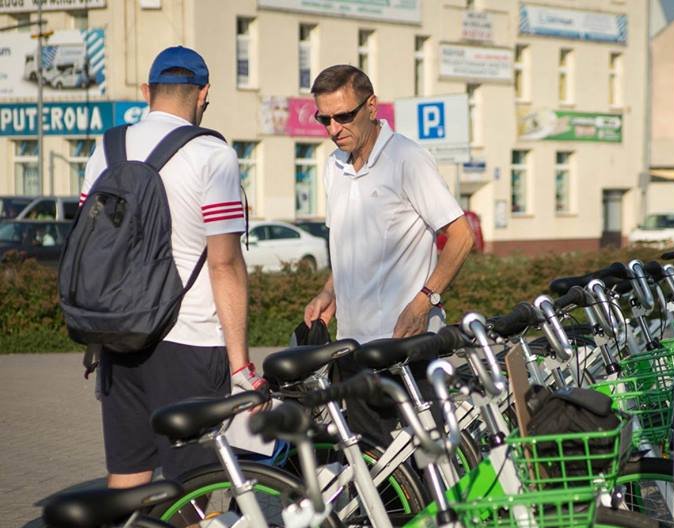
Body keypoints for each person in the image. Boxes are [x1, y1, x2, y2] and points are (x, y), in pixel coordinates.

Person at [80, 46, 266, 490]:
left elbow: (88, 248)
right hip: (191, 343)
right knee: (192, 492)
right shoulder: (211, 154)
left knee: (125, 485)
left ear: (147, 91)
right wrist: (240, 367)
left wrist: (95, 337)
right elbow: (224, 263)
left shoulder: (106, 148)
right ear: (204, 93)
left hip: (119, 339)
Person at [302, 64, 474, 440]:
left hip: (406, 345)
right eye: (324, 119)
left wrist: (425, 299)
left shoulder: (406, 159)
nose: (334, 130)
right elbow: (347, 244)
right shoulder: (333, 166)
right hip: (352, 348)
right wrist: (329, 291)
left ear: (372, 106)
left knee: (426, 464)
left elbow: (461, 235)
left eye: (344, 116)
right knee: (378, 472)